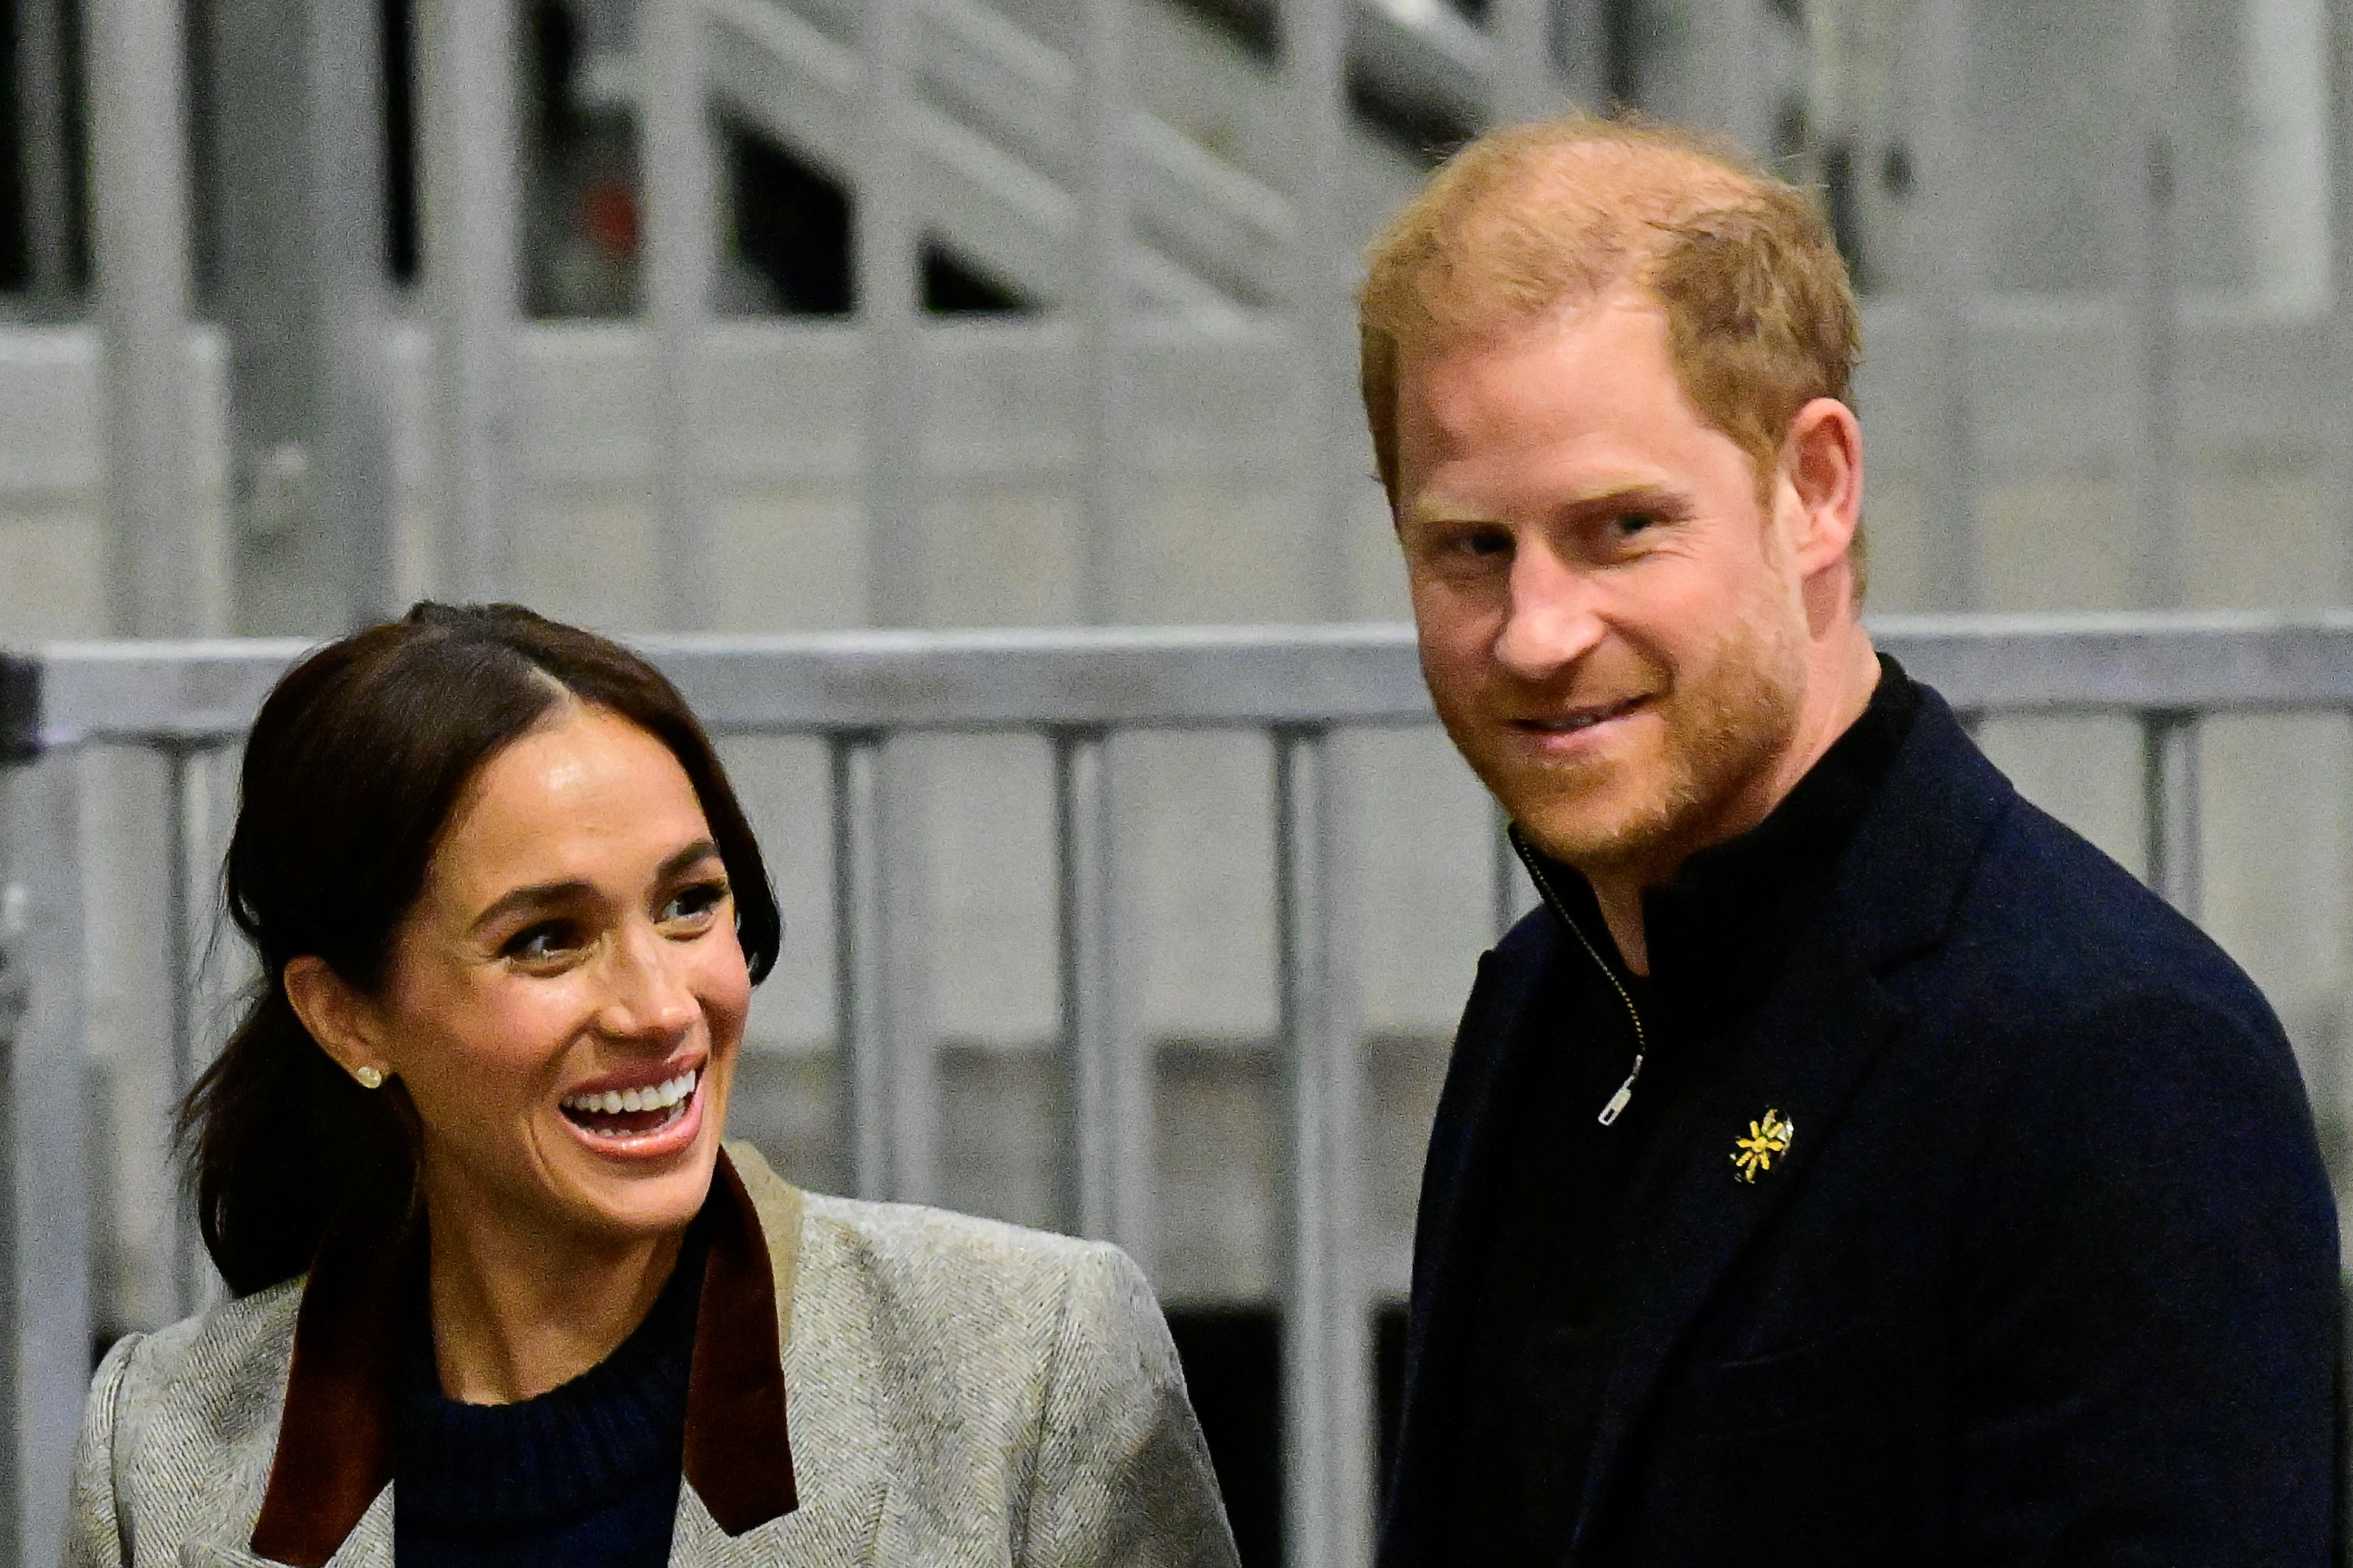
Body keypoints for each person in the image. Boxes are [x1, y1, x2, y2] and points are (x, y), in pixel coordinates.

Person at [1363, 114, 2339, 1566]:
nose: (1538, 630)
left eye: (1624, 527)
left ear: (1815, 488)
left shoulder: (2106, 1057)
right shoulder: (1535, 1010)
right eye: (1471, 547)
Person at [66, 603, 1240, 1568]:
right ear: (346, 1014)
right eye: (545, 939)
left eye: (690, 903)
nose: (659, 1007)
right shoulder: (160, 1446)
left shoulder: (1030, 1364)